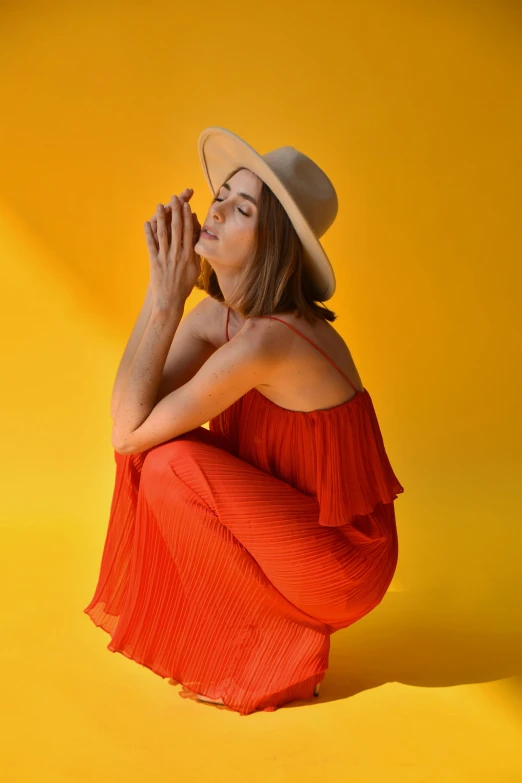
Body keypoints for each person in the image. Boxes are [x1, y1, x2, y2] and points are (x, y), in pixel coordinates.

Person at [83, 127, 404, 716]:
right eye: (222, 195)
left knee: (171, 462)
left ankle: (271, 660)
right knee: (157, 458)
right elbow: (129, 416)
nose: (218, 209)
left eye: (243, 207)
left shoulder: (270, 341)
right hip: (297, 531)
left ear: (273, 243)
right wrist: (163, 298)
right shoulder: (220, 319)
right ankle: (253, 649)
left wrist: (165, 296)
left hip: (343, 562)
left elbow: (129, 434)